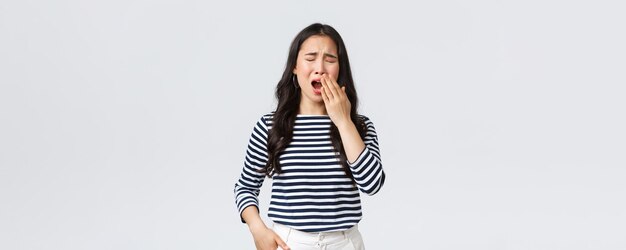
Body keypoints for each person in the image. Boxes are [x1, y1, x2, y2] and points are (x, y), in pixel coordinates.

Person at [234, 23, 386, 250]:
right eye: (311, 58)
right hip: (290, 242)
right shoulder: (269, 126)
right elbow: (245, 187)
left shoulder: (360, 126)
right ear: (294, 66)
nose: (320, 68)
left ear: (340, 69)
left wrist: (343, 121)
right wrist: (258, 229)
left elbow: (372, 184)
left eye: (330, 59)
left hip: (345, 243)